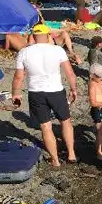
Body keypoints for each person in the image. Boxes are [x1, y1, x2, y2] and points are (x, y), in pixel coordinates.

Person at [11, 24, 78, 167]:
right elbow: (70, 73)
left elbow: (19, 77)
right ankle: (71, 154)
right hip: (56, 91)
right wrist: (73, 89)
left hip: (36, 92)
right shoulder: (57, 50)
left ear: (33, 36)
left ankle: (55, 160)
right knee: (65, 122)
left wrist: (16, 93)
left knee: (46, 127)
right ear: (48, 35)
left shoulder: (24, 52)